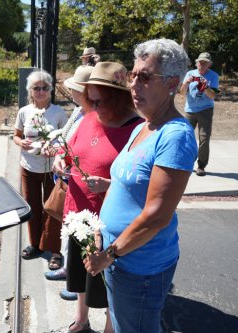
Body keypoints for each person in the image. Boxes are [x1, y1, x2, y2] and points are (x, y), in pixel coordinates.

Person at [83, 39, 197, 333]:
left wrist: (108, 255)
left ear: (172, 83)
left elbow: (157, 215)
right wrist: (100, 231)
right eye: (133, 76)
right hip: (117, 256)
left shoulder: (175, 136)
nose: (134, 84)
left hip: (139, 268)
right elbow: (127, 183)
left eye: (145, 77)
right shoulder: (142, 126)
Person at [54, 62, 143, 333]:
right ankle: (81, 320)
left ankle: (109, 327)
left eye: (98, 101)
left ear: (118, 97)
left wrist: (108, 185)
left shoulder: (137, 129)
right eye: (89, 99)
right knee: (80, 275)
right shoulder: (90, 117)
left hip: (107, 221)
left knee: (106, 282)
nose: (92, 106)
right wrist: (60, 159)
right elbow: (70, 150)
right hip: (78, 212)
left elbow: (141, 181)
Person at [44, 65, 94, 302]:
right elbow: (65, 135)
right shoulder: (79, 111)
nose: (71, 92)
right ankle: (68, 269)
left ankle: (79, 283)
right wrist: (56, 151)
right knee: (68, 229)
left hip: (80, 182)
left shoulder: (93, 115)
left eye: (75, 88)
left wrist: (63, 154)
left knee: (81, 233)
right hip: (68, 179)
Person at [13, 70, 68, 270]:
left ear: (51, 90)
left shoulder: (58, 113)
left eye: (45, 88)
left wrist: (54, 148)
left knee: (52, 208)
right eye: (37, 88)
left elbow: (65, 139)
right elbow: (16, 135)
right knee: (32, 206)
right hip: (29, 166)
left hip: (52, 167)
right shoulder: (24, 112)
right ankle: (35, 244)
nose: (41, 91)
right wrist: (22, 143)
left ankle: (54, 249)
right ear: (30, 90)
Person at [179, 51, 219, 176]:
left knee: (204, 138)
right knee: (186, 137)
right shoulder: (190, 74)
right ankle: (185, 163)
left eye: (205, 63)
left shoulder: (213, 76)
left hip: (205, 110)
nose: (202, 65)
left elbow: (212, 96)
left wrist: (206, 86)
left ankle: (201, 166)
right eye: (200, 63)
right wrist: (187, 82)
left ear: (209, 65)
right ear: (196, 63)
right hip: (190, 110)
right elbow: (182, 92)